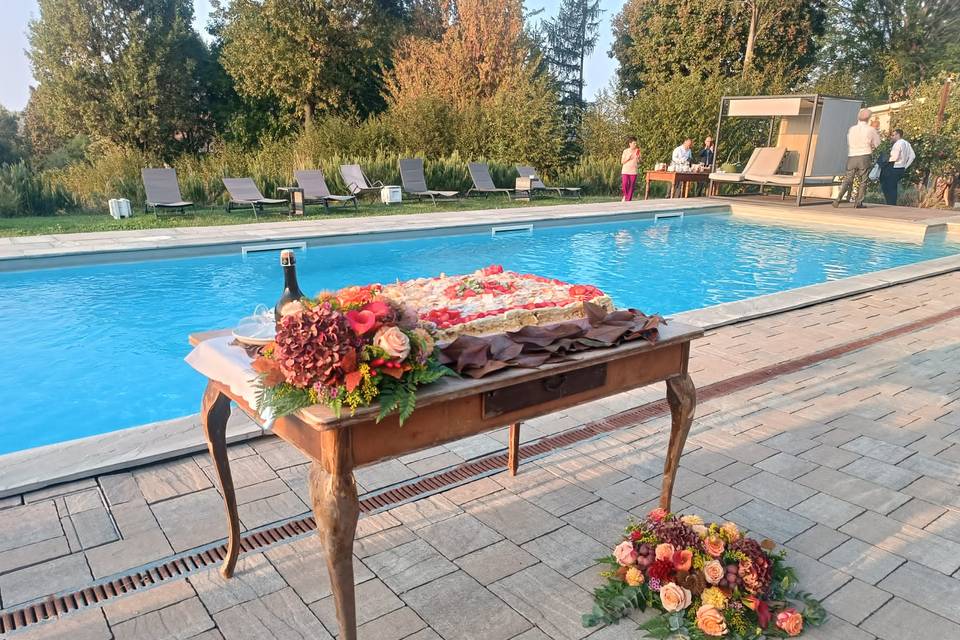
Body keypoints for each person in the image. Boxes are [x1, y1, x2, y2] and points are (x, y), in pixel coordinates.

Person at [833, 108, 881, 208]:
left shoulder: (852, 129)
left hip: (852, 156)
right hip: (864, 155)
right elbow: (877, 144)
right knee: (863, 180)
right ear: (868, 118)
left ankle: (838, 199)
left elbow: (849, 141)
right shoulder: (870, 129)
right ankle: (858, 202)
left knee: (848, 179)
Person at [880, 128, 915, 206]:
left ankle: (890, 204)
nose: (892, 137)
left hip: (894, 167)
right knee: (893, 187)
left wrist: (885, 160)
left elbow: (895, 157)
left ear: (898, 135)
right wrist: (905, 166)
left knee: (888, 186)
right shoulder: (907, 143)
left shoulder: (898, 144)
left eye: (893, 135)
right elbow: (912, 156)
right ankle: (892, 204)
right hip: (901, 168)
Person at [620, 136, 641, 201]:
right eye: (634, 143)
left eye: (636, 143)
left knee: (631, 186)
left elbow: (640, 161)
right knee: (625, 184)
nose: (635, 144)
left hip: (633, 171)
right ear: (630, 144)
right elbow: (622, 162)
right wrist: (628, 158)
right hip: (625, 170)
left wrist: (638, 158)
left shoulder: (638, 151)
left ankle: (628, 200)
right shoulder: (625, 151)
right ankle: (626, 196)